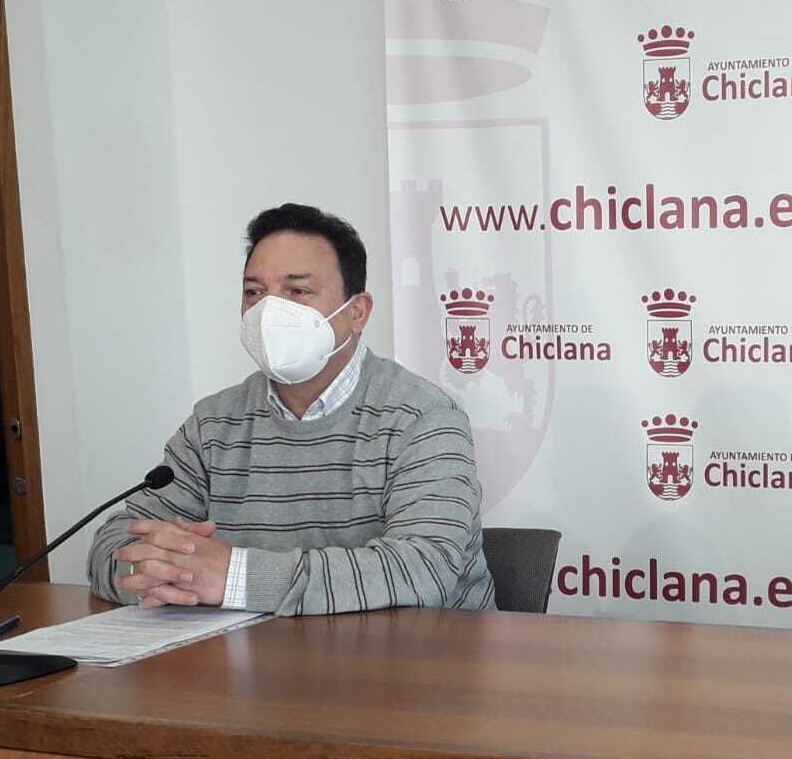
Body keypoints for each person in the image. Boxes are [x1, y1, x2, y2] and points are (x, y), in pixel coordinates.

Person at [87, 203, 496, 615]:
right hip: (258, 663)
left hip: (416, 666)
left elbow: (421, 571)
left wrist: (233, 576)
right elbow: (112, 547)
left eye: (297, 291)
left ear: (357, 312)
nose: (269, 311)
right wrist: (182, 571)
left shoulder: (423, 418)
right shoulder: (213, 424)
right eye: (254, 292)